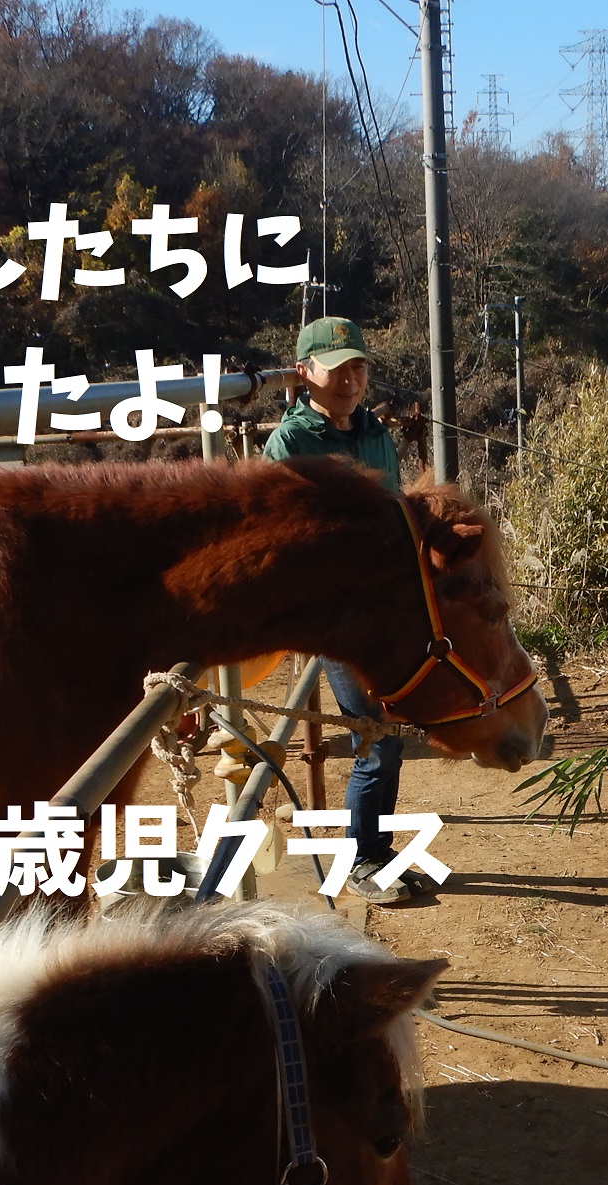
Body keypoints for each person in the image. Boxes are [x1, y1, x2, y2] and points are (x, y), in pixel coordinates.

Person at [262, 315, 422, 907]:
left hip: (385, 607)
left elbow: (396, 510)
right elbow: (283, 535)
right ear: (305, 374)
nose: (351, 380)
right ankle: (361, 860)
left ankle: (376, 852)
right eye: (337, 369)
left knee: (389, 734)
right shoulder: (291, 445)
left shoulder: (375, 435)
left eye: (358, 367)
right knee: (374, 738)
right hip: (337, 616)